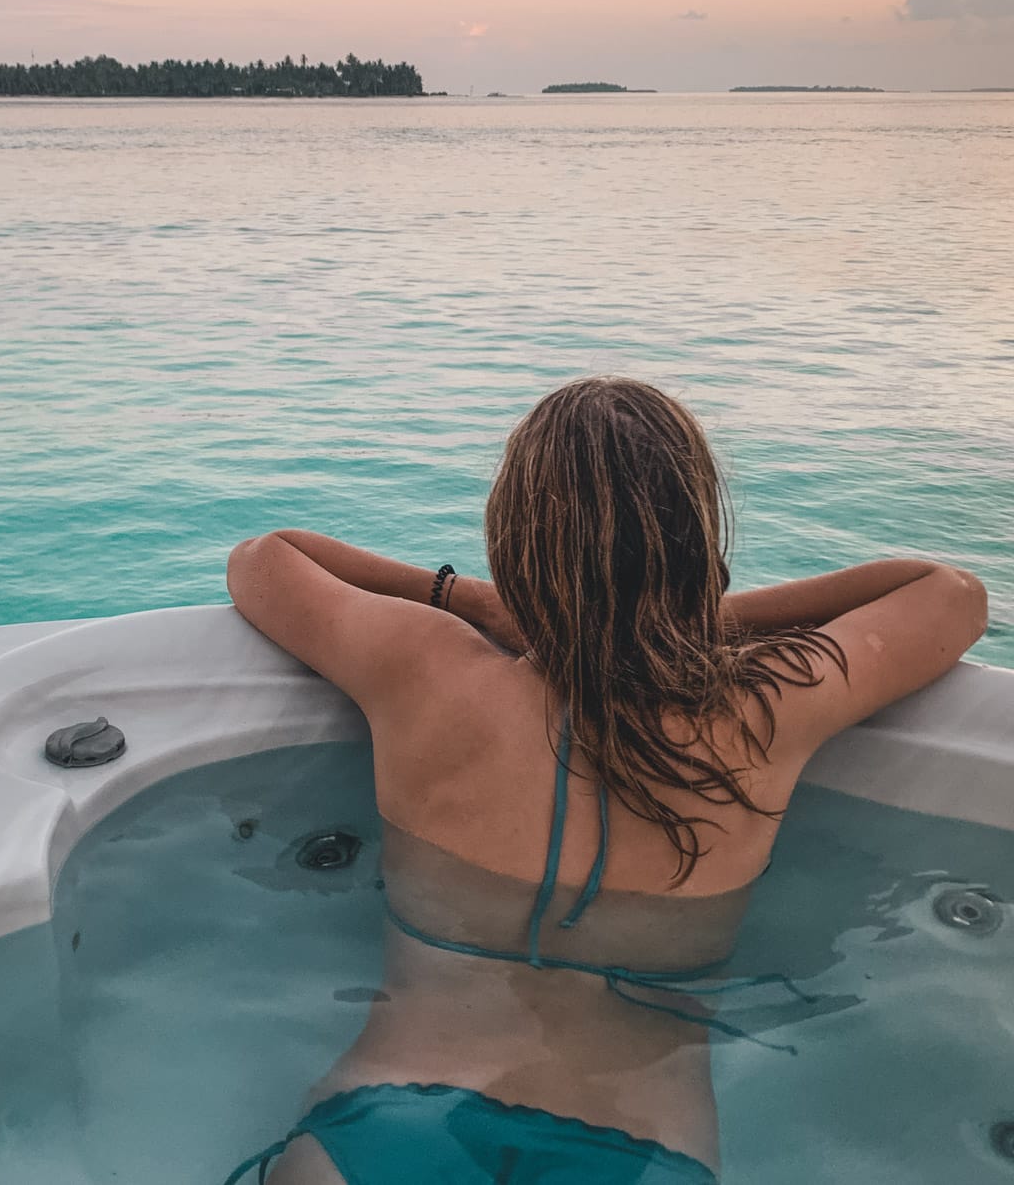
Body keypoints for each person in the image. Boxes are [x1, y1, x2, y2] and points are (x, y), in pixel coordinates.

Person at [223, 377, 987, 1183]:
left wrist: (472, 600)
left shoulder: (422, 668)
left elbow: (263, 559)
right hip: (639, 1145)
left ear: (509, 544)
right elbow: (950, 595)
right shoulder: (764, 710)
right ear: (701, 549)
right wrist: (673, 620)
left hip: (385, 1118)